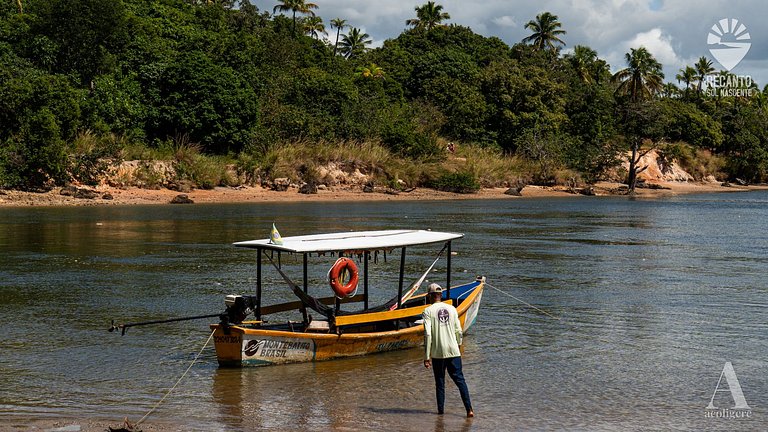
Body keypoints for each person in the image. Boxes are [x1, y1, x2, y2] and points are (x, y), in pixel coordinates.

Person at [422, 283, 474, 417]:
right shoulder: (452, 309)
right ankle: (469, 410)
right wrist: (459, 346)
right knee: (460, 380)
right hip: (453, 351)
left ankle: (440, 414)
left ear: (430, 296)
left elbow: (428, 334)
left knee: (440, 383)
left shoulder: (428, 311)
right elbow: (459, 331)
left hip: (438, 353)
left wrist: (427, 356)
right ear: (440, 295)